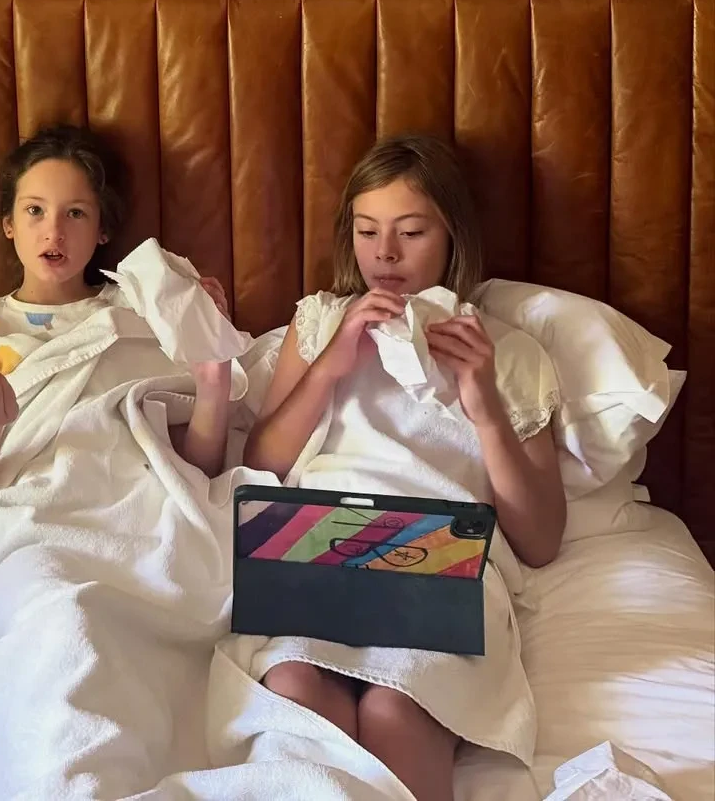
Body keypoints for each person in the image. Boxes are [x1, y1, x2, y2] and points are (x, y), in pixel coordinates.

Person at [242, 135, 565, 801]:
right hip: (321, 542)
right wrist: (328, 368)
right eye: (367, 231)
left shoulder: (508, 353)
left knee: (395, 707)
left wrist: (484, 406)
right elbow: (261, 463)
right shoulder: (321, 321)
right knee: (296, 683)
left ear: (452, 237)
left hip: (441, 557)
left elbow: (540, 540)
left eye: (411, 232)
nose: (385, 253)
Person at [0, 124, 233, 527]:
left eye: (75, 213)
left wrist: (214, 381)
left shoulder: (145, 315)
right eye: (35, 210)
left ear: (102, 229)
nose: (54, 232)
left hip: (144, 518)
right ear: (8, 223)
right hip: (28, 522)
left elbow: (196, 475)